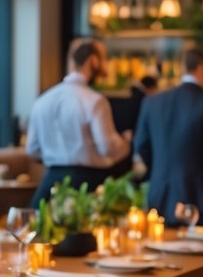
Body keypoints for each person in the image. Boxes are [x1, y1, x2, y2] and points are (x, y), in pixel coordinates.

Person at [26, 38, 129, 209]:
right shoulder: (95, 101)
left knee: (42, 233)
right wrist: (125, 143)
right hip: (86, 185)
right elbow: (107, 147)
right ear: (93, 61)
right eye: (104, 61)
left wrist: (56, 155)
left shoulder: (43, 100)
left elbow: (32, 149)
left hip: (51, 182)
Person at [134, 46, 203, 227]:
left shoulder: (152, 103)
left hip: (160, 194)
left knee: (161, 249)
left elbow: (140, 146)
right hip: (199, 196)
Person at [106, 75, 158, 176]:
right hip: (130, 143)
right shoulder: (143, 100)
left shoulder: (132, 95)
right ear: (152, 88)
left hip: (123, 139)